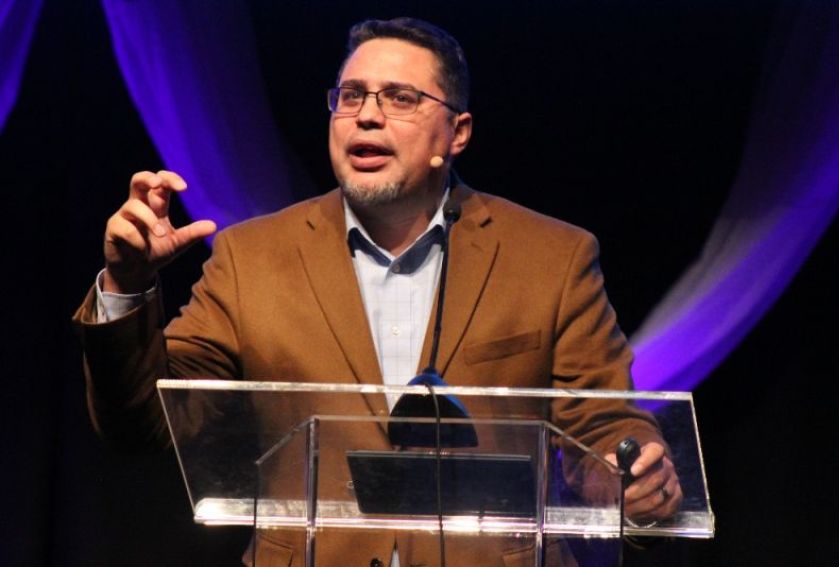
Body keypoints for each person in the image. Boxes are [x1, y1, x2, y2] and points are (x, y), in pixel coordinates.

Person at [74, 17, 681, 567]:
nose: (367, 115)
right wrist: (128, 286)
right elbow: (145, 426)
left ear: (457, 131)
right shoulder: (251, 259)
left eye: (401, 98)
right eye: (351, 96)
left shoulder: (552, 257)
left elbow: (600, 431)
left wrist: (632, 479)